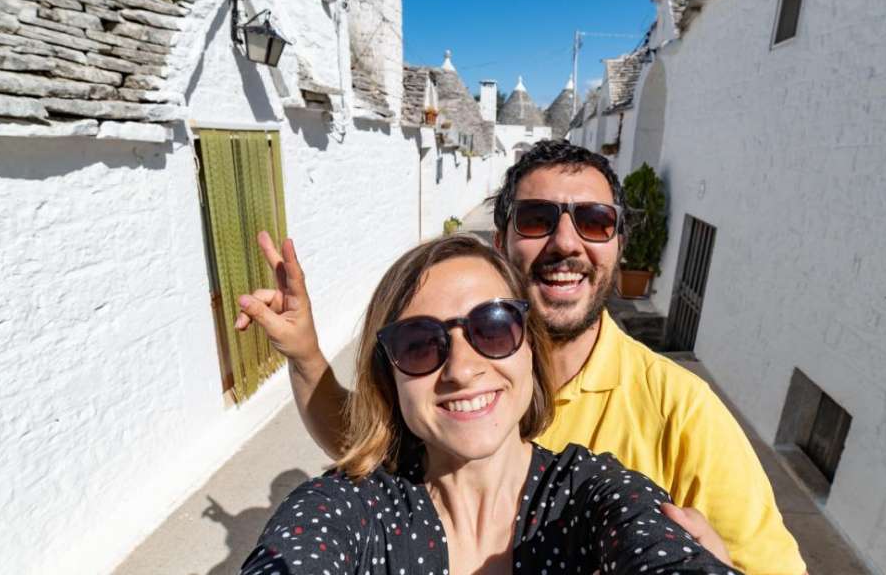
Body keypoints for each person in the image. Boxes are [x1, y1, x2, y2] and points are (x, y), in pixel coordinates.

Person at [236, 141, 804, 574]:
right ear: (501, 242)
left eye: (594, 221)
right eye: (537, 219)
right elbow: (364, 448)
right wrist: (307, 354)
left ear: (618, 245)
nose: (565, 242)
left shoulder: (681, 410)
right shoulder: (389, 481)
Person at [238, 235, 737, 574]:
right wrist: (304, 355)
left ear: (530, 349)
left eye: (493, 327)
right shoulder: (352, 509)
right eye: (418, 343)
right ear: (388, 379)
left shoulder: (595, 497)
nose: (461, 368)